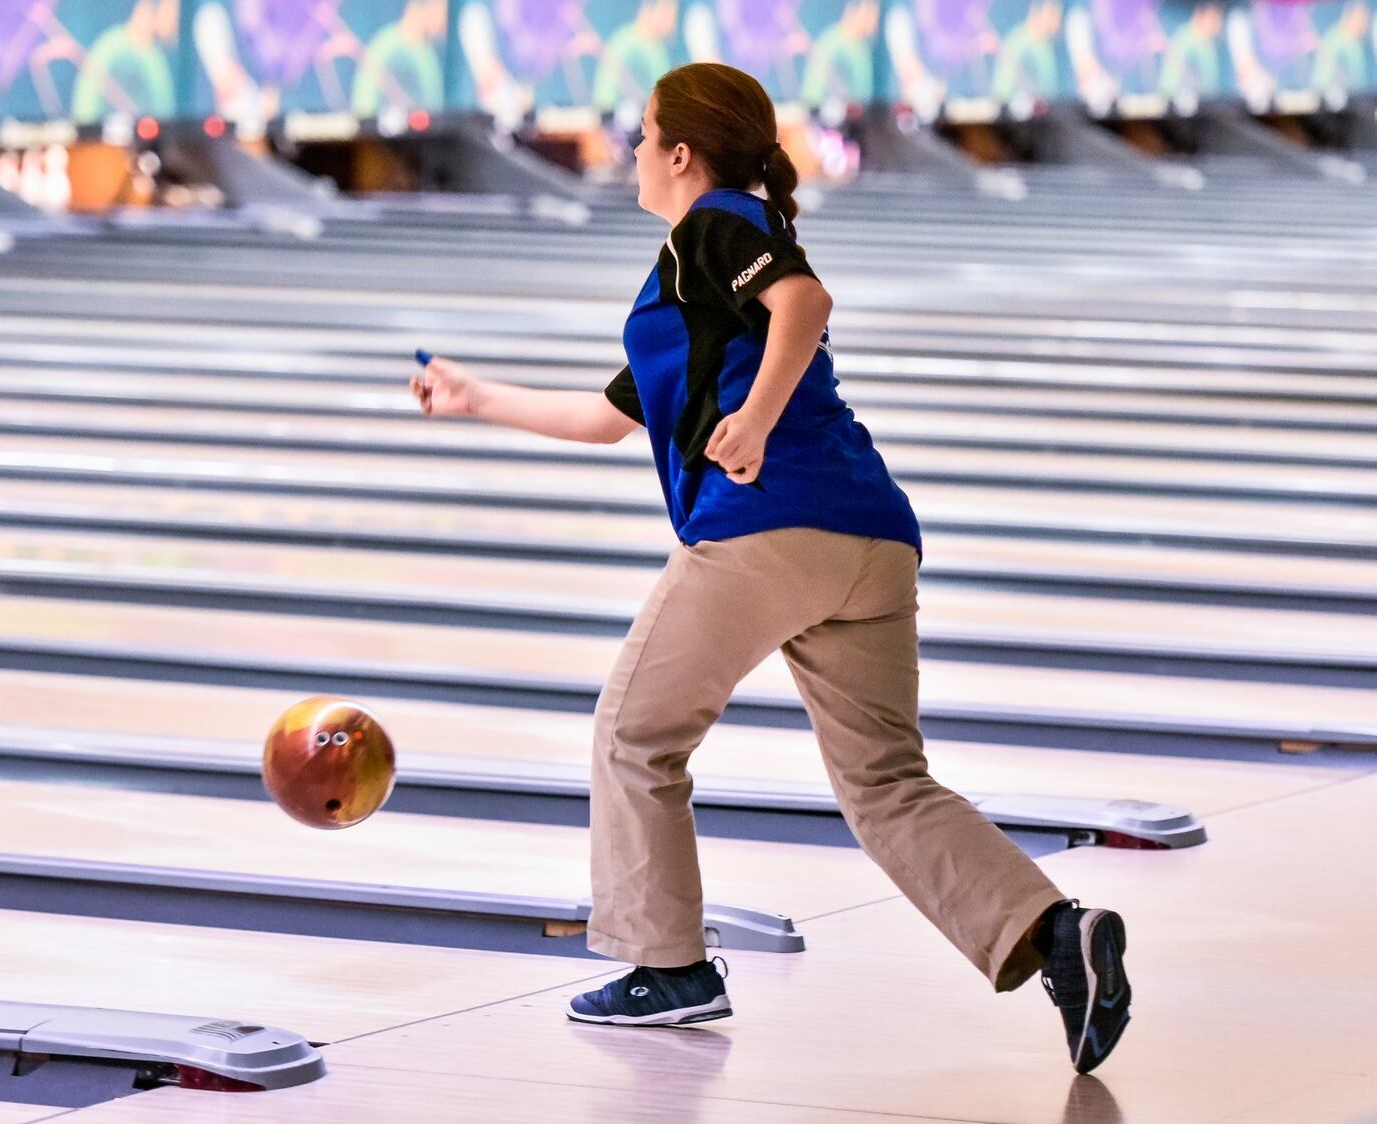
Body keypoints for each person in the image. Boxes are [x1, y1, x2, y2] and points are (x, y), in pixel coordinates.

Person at [409, 61, 1131, 1074]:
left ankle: (669, 969)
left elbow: (804, 301)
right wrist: (475, 397)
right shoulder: (687, 281)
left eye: (641, 132)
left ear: (680, 152)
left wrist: (748, 425)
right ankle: (1058, 934)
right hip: (868, 537)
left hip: (766, 528)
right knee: (885, 780)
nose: (627, 150)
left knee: (633, 737)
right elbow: (604, 418)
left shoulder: (715, 225)